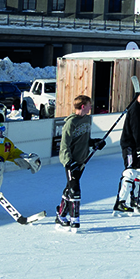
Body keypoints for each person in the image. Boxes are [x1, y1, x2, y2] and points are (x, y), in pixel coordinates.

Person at [55, 95, 94, 232]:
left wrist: (95, 142)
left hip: (82, 160)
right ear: (83, 106)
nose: (91, 107)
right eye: (89, 105)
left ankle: (60, 215)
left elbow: (85, 140)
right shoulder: (71, 123)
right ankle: (74, 219)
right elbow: (64, 145)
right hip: (71, 162)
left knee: (69, 188)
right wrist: (69, 162)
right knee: (75, 189)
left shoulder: (87, 119)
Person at [113, 83, 140, 215]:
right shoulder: (134, 109)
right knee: (130, 172)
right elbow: (136, 132)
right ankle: (120, 202)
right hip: (130, 145)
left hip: (139, 144)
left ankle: (135, 199)